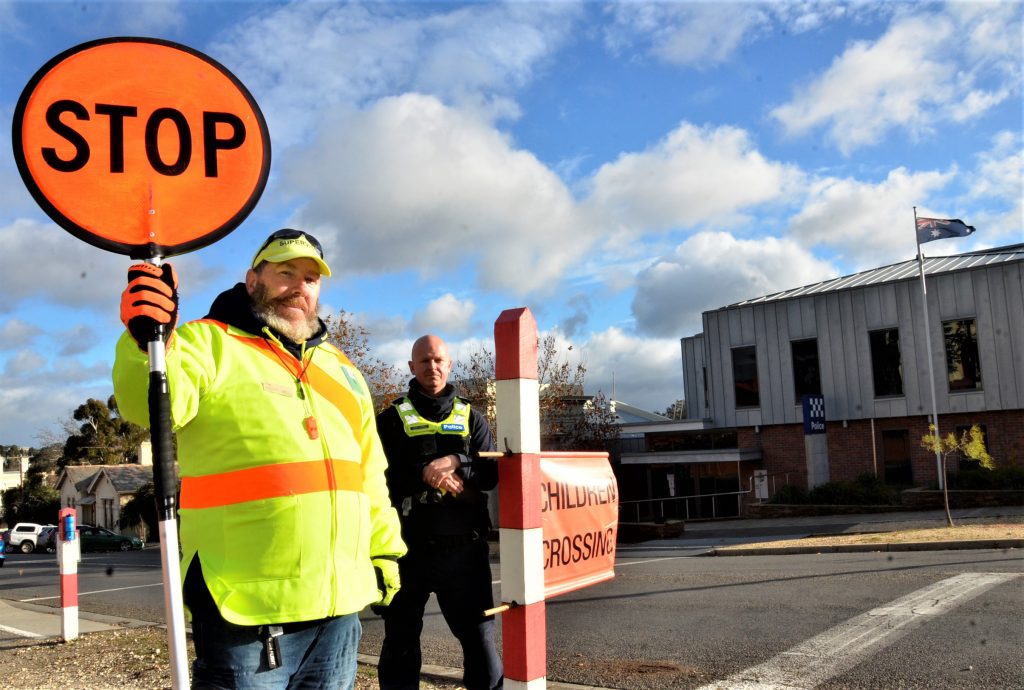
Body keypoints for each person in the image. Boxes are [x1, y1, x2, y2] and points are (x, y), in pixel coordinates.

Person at [112, 229, 406, 689]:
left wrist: (385, 553)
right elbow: (146, 404)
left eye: (310, 278)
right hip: (243, 610)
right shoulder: (207, 343)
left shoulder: (342, 368)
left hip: (340, 612)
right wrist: (143, 342)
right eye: (285, 272)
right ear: (253, 280)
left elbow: (369, 474)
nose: (299, 287)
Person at [374, 335, 502, 690]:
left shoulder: (472, 417)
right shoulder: (390, 419)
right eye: (424, 361)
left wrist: (456, 461)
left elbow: (491, 473)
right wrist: (423, 473)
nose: (432, 367)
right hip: (407, 549)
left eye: (438, 360)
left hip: (464, 550)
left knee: (480, 641)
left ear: (449, 364)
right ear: (411, 366)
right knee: (400, 643)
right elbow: (375, 477)